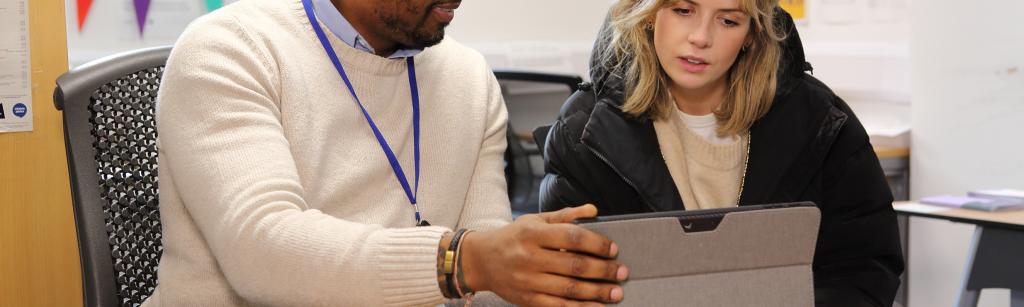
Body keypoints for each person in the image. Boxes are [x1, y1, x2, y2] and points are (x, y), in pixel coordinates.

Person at [145, 0, 629, 306]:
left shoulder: (467, 76)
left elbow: (487, 266)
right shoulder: (229, 48)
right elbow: (261, 251)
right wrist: (459, 261)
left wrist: (540, 276)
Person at [539, 0, 904, 306]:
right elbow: (567, 282)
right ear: (650, 14)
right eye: (683, 10)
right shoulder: (583, 131)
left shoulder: (822, 121)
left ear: (752, 34)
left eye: (728, 20)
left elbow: (864, 268)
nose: (700, 38)